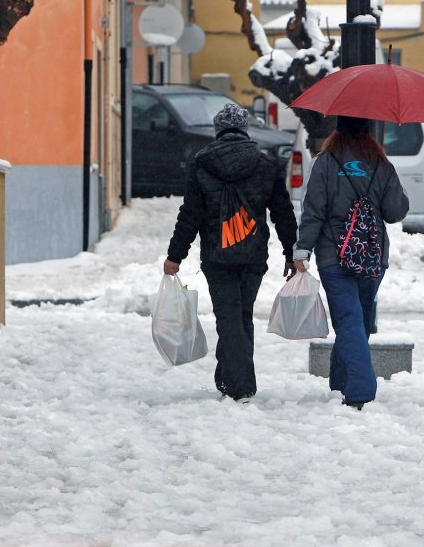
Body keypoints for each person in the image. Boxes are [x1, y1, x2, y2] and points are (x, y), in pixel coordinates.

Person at [165, 103, 298, 402]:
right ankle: (229, 379)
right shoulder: (265, 164)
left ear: (218, 130)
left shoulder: (202, 163)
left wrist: (176, 255)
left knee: (229, 317)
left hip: (217, 254)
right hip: (253, 255)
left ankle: (238, 386)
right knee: (241, 316)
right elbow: (282, 212)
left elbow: (191, 214)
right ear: (244, 129)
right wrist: (291, 251)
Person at [293, 116, 409, 410]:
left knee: (349, 321)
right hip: (372, 256)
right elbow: (396, 211)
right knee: (359, 321)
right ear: (369, 132)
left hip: (334, 255)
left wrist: (303, 248)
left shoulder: (326, 163)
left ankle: (359, 390)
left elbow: (314, 210)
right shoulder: (381, 164)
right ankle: (340, 381)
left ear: (337, 131)